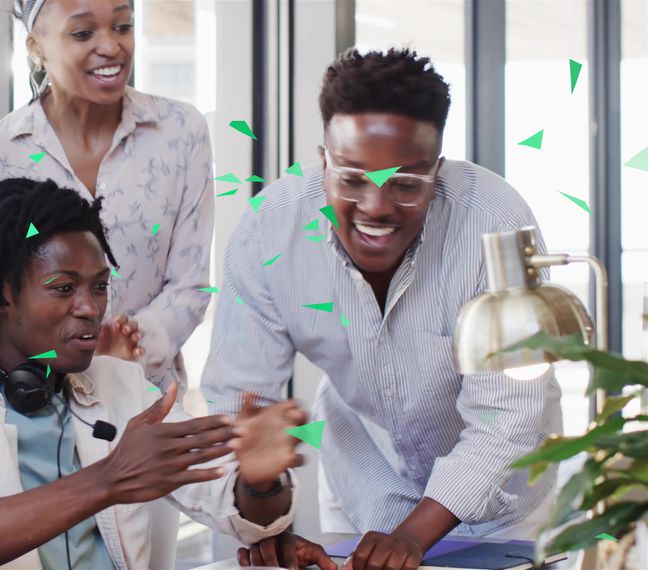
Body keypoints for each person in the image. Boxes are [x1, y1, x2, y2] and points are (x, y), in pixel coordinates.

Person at [0, 178, 337, 570]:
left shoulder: (122, 385)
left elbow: (243, 516)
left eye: (100, 286)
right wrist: (107, 479)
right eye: (63, 288)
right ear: (0, 296)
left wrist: (258, 484)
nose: (90, 308)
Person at [202, 48, 562, 570]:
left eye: (406, 184)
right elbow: (236, 403)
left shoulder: (495, 224)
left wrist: (413, 536)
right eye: (351, 179)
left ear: (437, 171)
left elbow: (507, 412)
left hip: (503, 503)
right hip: (363, 484)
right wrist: (263, 514)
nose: (376, 207)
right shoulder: (268, 234)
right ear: (323, 160)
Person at [0, 0, 214, 394]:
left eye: (123, 27)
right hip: (28, 409)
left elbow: (190, 285)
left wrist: (128, 346)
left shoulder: (181, 132)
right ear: (36, 48)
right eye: (83, 33)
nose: (111, 47)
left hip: (144, 402)